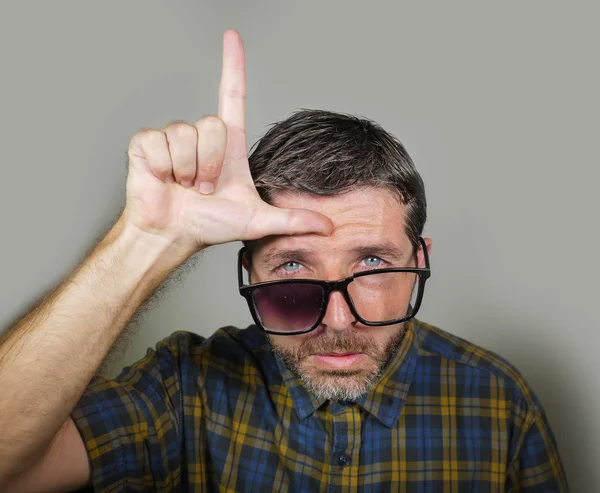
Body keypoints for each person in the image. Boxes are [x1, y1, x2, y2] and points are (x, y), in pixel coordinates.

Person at [0, 30, 568, 493]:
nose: (338, 323)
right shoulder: (185, 387)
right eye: (293, 267)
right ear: (250, 273)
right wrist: (144, 241)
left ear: (419, 260)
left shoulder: (499, 401)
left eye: (372, 261)